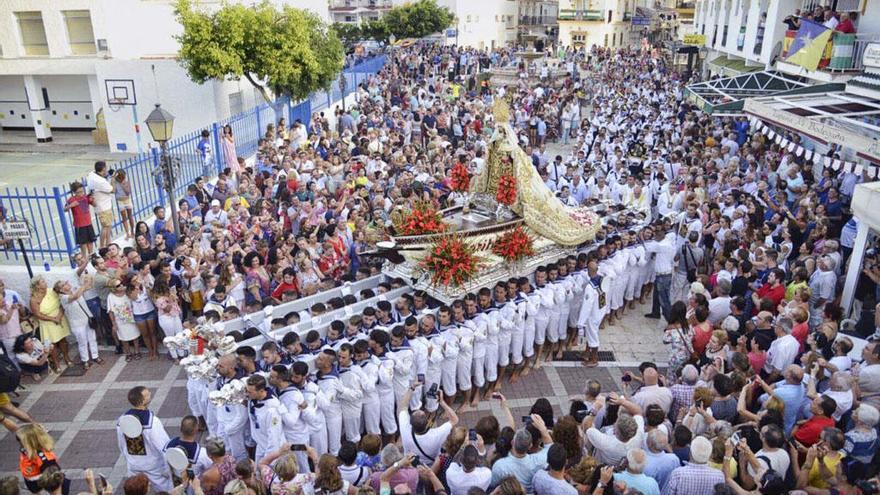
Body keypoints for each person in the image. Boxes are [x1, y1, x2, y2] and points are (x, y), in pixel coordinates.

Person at [116, 386, 173, 491]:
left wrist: (129, 459)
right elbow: (163, 446)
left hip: (134, 465)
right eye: (147, 394)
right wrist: (167, 469)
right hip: (154, 467)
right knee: (164, 491)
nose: (150, 394)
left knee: (137, 491)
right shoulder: (152, 422)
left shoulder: (122, 420)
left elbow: (121, 445)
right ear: (142, 401)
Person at [490, 414, 553, 492]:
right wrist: (542, 428)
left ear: (512, 442)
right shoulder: (538, 461)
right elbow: (550, 447)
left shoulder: (499, 466)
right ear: (530, 446)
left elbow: (493, 484)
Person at [55, 278, 101, 368]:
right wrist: (83, 286)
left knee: (92, 338)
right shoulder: (63, 298)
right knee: (82, 341)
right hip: (77, 323)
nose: (67, 283)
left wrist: (87, 279)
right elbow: (75, 297)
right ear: (61, 290)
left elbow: (88, 286)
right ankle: (85, 360)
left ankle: (95, 356)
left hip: (87, 319)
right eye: (64, 284)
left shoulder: (75, 290)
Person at [29, 276, 72, 370]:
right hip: (47, 323)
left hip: (59, 318)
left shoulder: (51, 291)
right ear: (37, 286)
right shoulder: (34, 299)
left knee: (63, 341)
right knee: (52, 345)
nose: (45, 282)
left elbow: (62, 303)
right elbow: (37, 314)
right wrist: (53, 319)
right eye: (42, 281)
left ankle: (66, 357)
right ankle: (56, 364)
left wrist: (59, 316)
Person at [64, 181, 97, 256]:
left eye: (82, 191)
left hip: (88, 223)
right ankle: (84, 257)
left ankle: (91, 255)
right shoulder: (71, 199)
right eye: (79, 192)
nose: (81, 193)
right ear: (74, 192)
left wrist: (93, 199)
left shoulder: (86, 197)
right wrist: (71, 205)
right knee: (83, 243)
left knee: (90, 240)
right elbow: (65, 209)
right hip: (79, 225)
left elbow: (95, 205)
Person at [86, 161, 115, 248]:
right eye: (105, 168)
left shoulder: (91, 175)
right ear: (103, 169)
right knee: (105, 227)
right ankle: (102, 246)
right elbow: (112, 190)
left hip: (101, 205)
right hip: (104, 206)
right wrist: (113, 178)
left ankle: (108, 243)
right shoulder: (101, 182)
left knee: (108, 225)